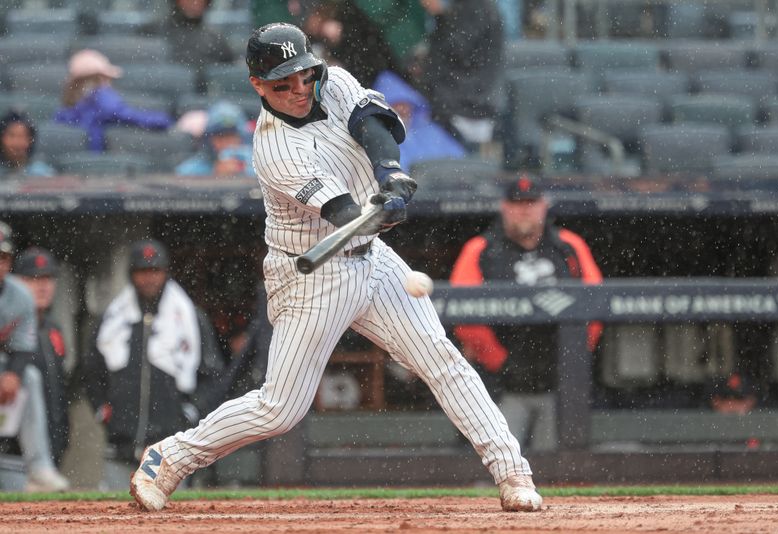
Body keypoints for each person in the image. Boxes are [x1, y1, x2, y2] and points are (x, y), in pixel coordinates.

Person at [130, 23, 542, 513]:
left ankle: (512, 472)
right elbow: (344, 212)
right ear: (257, 85)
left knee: (441, 358)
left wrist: (389, 173)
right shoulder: (274, 150)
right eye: (283, 83)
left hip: (371, 259)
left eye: (303, 75)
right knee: (279, 410)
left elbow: (373, 122)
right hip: (311, 276)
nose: (300, 90)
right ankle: (169, 457)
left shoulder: (333, 80)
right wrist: (382, 210)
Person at [450, 175, 602, 451]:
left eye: (531, 203)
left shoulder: (568, 246)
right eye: (517, 203)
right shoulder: (482, 250)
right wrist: (499, 362)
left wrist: (573, 360)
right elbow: (464, 316)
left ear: (544, 206)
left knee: (561, 465)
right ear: (504, 207)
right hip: (502, 383)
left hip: (559, 382)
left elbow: (596, 306)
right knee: (500, 461)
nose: (524, 209)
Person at [83, 239, 226, 490]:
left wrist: (190, 412)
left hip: (170, 447)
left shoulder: (190, 317)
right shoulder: (113, 319)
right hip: (121, 443)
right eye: (142, 271)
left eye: (155, 271)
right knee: (118, 519)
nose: (149, 278)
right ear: (131, 274)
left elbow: (213, 376)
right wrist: (102, 409)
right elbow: (91, 370)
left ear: (165, 273)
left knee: (168, 520)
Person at [0, 222, 70, 492]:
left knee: (27, 375)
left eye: (3, 257)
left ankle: (40, 467)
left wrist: (12, 374)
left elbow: (21, 348)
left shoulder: (20, 297)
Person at [416, 0, 504, 149]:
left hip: (465, 103)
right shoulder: (470, 6)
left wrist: (439, 14)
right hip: (465, 98)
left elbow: (457, 50)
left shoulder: (474, 6)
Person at [14, 247, 71, 467]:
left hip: (51, 447)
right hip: (13, 452)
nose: (42, 286)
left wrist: (62, 437)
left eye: (47, 278)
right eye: (33, 278)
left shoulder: (52, 328)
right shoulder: (7, 328)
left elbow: (59, 388)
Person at [54, 49, 174, 152]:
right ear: (100, 78)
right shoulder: (101, 95)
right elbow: (127, 115)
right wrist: (164, 120)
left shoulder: (65, 111)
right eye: (107, 78)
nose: (109, 83)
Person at [372, 70, 466, 170]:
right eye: (395, 106)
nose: (402, 111)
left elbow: (461, 164)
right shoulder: (374, 140)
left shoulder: (431, 132)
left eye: (405, 106)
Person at [139, 0, 235, 92]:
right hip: (160, 95)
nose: (195, 2)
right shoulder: (152, 30)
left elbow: (226, 74)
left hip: (199, 99)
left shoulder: (215, 38)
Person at [175, 101, 255, 178]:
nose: (225, 142)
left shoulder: (256, 163)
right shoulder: (190, 170)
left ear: (241, 137)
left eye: (231, 136)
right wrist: (215, 172)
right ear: (209, 140)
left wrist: (243, 171)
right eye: (220, 137)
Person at [0, 110, 56, 179]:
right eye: (12, 135)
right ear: (1, 138)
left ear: (31, 140)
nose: (17, 142)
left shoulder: (41, 172)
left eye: (23, 136)